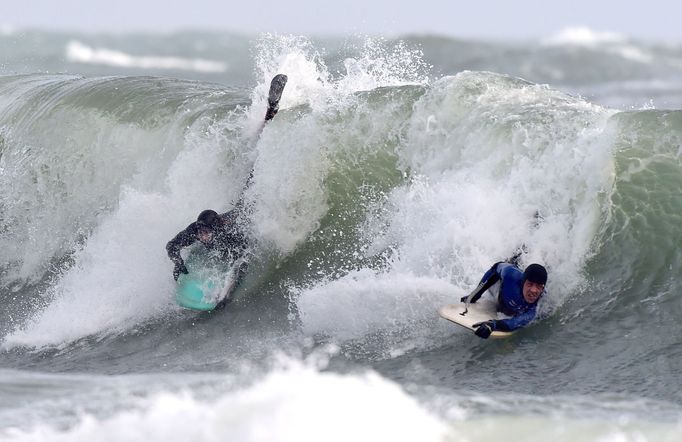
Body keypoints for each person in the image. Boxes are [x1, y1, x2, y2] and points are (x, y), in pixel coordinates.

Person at [460, 262, 548, 339]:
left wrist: (493, 325)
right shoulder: (511, 275)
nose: (533, 290)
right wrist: (476, 294)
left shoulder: (534, 308)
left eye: (539, 286)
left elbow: (514, 323)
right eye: (530, 284)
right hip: (501, 288)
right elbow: (496, 267)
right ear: (523, 282)